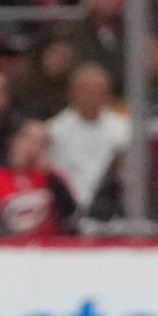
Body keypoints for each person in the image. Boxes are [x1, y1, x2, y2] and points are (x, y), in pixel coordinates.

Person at [45, 59, 129, 213]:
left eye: (98, 90)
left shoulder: (124, 128)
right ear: (71, 93)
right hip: (68, 208)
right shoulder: (55, 130)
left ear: (108, 95)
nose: (91, 96)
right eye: (85, 90)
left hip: (112, 208)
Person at [0, 116, 76, 237]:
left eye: (42, 143)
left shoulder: (53, 177)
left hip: (49, 249)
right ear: (13, 140)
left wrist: (51, 179)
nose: (33, 147)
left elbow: (70, 219)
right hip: (6, 250)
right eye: (29, 139)